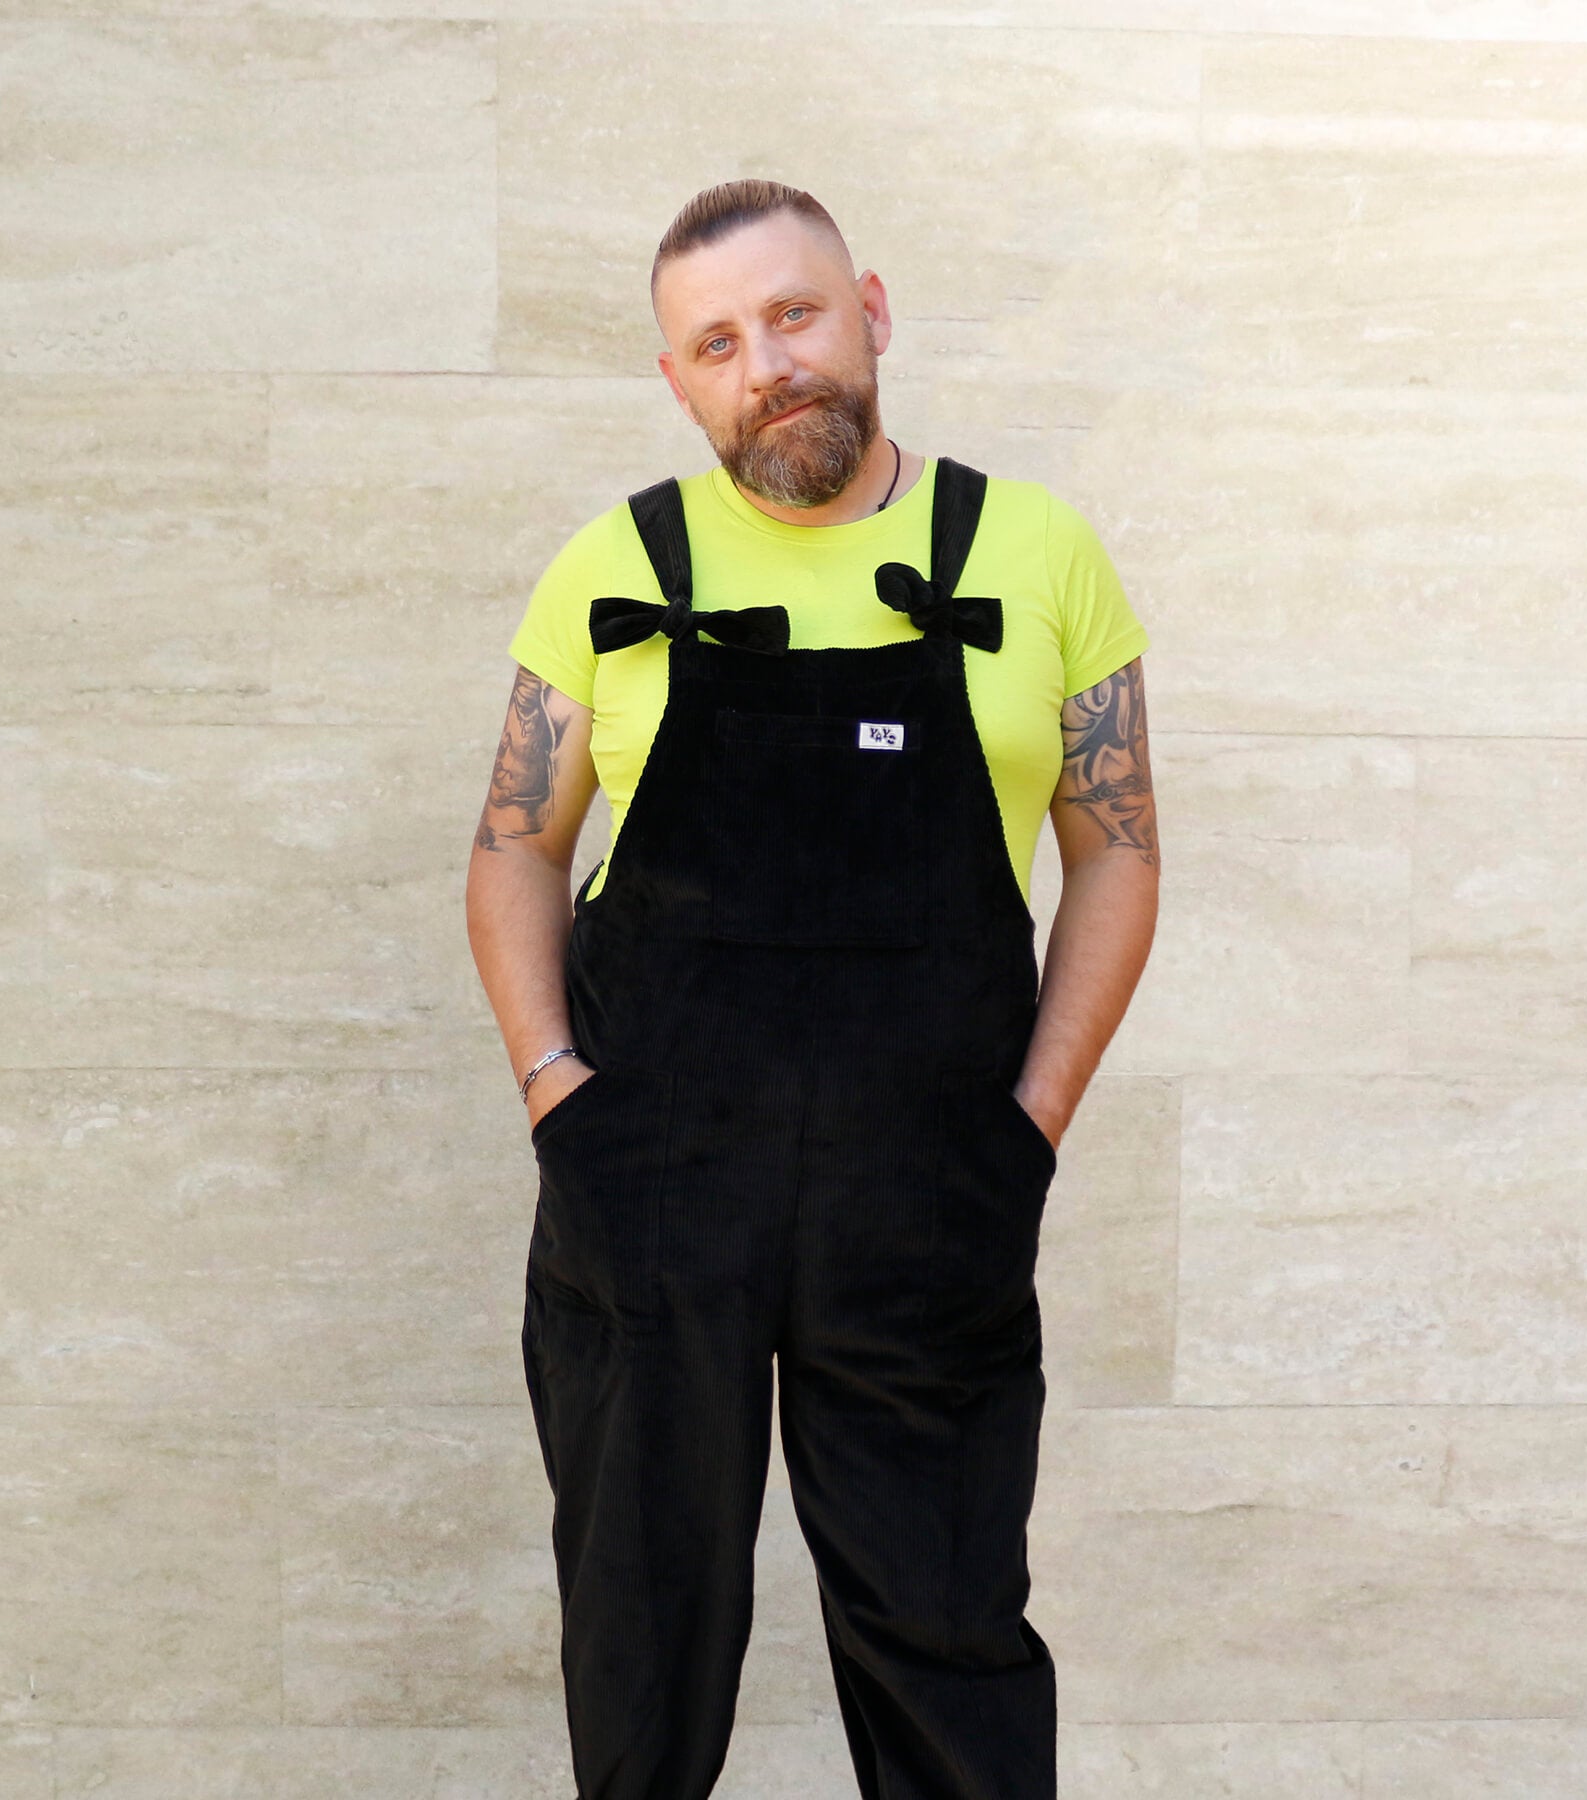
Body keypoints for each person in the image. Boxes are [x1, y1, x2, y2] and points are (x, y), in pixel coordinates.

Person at [464, 178, 1160, 1800]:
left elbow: (1117, 853)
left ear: (872, 311)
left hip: (928, 1207)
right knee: (639, 1655)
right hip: (648, 1199)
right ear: (677, 379)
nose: (765, 363)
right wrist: (560, 1098)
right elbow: (511, 850)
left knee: (952, 1648)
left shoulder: (1036, 554)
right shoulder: (607, 568)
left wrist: (1030, 1125)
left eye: (794, 315)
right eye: (717, 342)